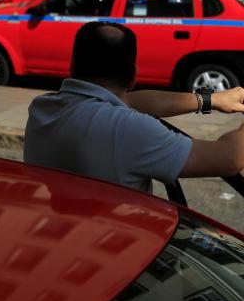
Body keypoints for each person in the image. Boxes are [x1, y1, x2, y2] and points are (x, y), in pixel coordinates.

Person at [24, 22, 244, 193]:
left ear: (72, 64)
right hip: (119, 246)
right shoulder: (127, 129)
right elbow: (229, 159)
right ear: (133, 77)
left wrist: (211, 100)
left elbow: (131, 102)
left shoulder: (43, 108)